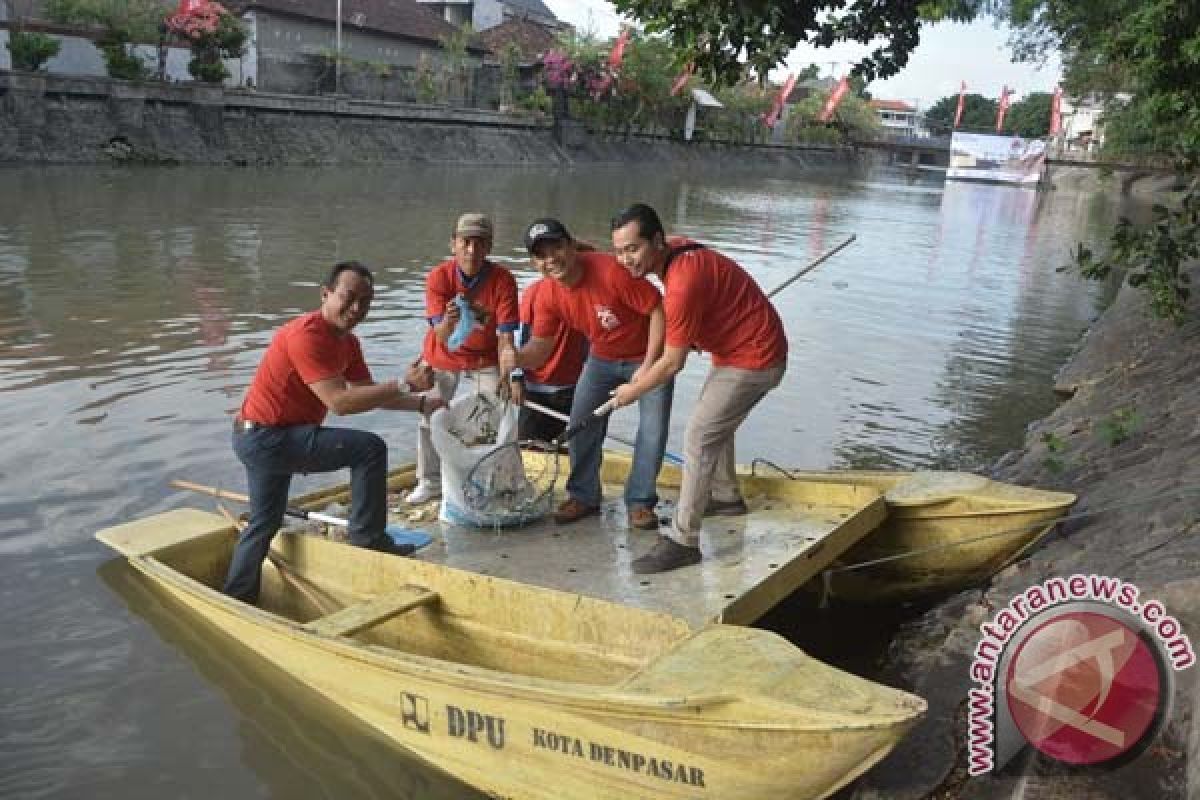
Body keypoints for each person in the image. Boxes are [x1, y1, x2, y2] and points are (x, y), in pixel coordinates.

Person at [224, 261, 440, 604]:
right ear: (325, 294)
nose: (356, 309)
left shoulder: (347, 343)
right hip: (266, 438)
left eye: (365, 302)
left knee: (264, 522)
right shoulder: (306, 336)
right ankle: (368, 541)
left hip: (262, 437)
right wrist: (403, 382)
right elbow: (340, 402)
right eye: (348, 297)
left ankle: (237, 597)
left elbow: (367, 393)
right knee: (369, 450)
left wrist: (420, 403)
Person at [609, 203, 788, 574]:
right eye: (619, 250)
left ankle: (682, 540)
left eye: (633, 249)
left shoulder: (682, 283)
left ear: (657, 241)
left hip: (756, 357)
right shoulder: (674, 252)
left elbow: (673, 363)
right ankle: (725, 497)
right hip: (739, 349)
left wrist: (633, 390)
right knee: (714, 422)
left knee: (698, 435)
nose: (625, 259)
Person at [502, 218, 673, 529]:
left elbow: (657, 309)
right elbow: (540, 348)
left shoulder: (610, 271)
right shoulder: (547, 294)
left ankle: (640, 501)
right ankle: (584, 495)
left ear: (571, 246)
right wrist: (516, 359)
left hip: (649, 353)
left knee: (652, 429)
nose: (551, 259)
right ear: (534, 263)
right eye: (541, 255)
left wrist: (648, 368)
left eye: (557, 248)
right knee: (582, 422)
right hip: (602, 357)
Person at [405, 212, 519, 505]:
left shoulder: (503, 280)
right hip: (442, 354)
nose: (472, 250)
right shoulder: (438, 278)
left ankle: (502, 479)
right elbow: (440, 335)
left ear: (489, 247)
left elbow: (505, 337)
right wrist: (448, 323)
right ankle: (429, 481)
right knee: (430, 413)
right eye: (466, 242)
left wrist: (511, 375)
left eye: (480, 243)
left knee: (499, 412)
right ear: (453, 244)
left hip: (484, 357)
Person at [511, 275, 588, 446]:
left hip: (571, 386)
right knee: (527, 444)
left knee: (562, 444)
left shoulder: (588, 295)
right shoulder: (535, 291)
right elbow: (517, 334)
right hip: (535, 387)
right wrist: (516, 377)